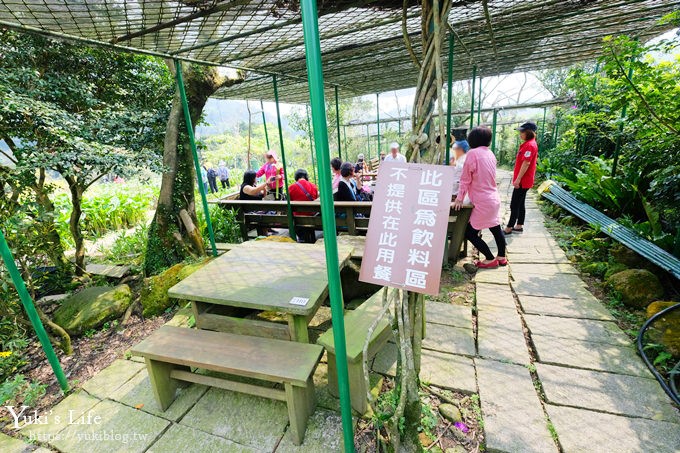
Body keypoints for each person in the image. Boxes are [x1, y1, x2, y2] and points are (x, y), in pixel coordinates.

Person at [452, 126, 507, 269]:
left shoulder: (472, 154)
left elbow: (465, 179)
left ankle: (489, 258)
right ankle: (501, 257)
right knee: (495, 227)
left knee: (470, 233)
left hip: (481, 200)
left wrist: (459, 199)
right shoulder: (490, 154)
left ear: (472, 139)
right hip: (493, 198)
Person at [504, 122, 539, 234]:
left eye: (522, 131)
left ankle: (509, 228)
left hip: (523, 181)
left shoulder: (530, 145)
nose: (520, 133)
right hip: (524, 180)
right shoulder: (528, 144)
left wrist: (518, 179)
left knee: (514, 204)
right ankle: (519, 225)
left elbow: (526, 163)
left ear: (529, 132)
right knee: (520, 203)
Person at [288, 169, 320, 243]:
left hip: (298, 219)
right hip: (312, 217)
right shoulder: (313, 186)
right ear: (306, 176)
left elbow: (289, 202)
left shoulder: (291, 187)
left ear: (296, 177)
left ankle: (301, 238)